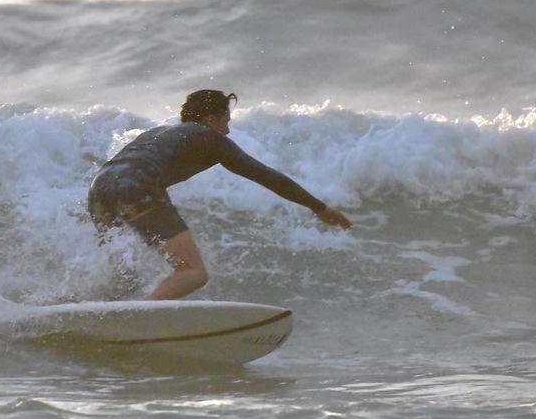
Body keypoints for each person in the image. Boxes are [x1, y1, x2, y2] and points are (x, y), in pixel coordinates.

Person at [88, 89, 352, 300]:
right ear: (212, 118)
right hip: (137, 184)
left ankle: (89, 311)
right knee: (193, 272)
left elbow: (128, 170)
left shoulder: (157, 134)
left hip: (100, 186)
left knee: (124, 277)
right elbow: (265, 175)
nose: (227, 130)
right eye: (225, 120)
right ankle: (135, 322)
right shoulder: (208, 138)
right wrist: (319, 207)